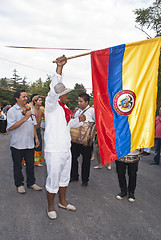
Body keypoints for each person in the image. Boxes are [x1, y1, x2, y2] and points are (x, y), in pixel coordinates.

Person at [44, 55, 86, 220]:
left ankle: (62, 201)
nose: (66, 96)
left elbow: (68, 125)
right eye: (65, 93)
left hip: (65, 148)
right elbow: (54, 90)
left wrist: (79, 120)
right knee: (53, 178)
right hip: (54, 149)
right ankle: (50, 206)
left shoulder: (64, 108)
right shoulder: (51, 105)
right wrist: (60, 68)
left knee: (64, 177)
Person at [7, 89, 42, 194]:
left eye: (26, 97)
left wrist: (36, 138)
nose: (26, 99)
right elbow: (10, 127)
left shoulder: (29, 109)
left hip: (29, 144)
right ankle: (19, 184)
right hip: (17, 144)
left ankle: (31, 183)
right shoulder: (12, 111)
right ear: (17, 98)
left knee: (30, 165)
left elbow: (33, 126)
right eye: (23, 97)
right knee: (17, 166)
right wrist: (24, 118)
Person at [70, 93, 95, 187]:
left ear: (86, 102)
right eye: (78, 101)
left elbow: (97, 122)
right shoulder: (78, 111)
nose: (79, 103)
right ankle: (74, 176)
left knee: (86, 161)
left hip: (86, 142)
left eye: (81, 101)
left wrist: (93, 134)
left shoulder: (92, 111)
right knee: (73, 158)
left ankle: (85, 180)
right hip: (75, 140)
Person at [32, 95, 44, 167]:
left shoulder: (41, 110)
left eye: (41, 100)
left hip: (38, 129)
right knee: (30, 146)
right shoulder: (31, 110)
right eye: (39, 100)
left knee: (39, 145)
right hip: (31, 130)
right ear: (35, 101)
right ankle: (25, 160)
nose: (41, 102)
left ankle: (36, 161)